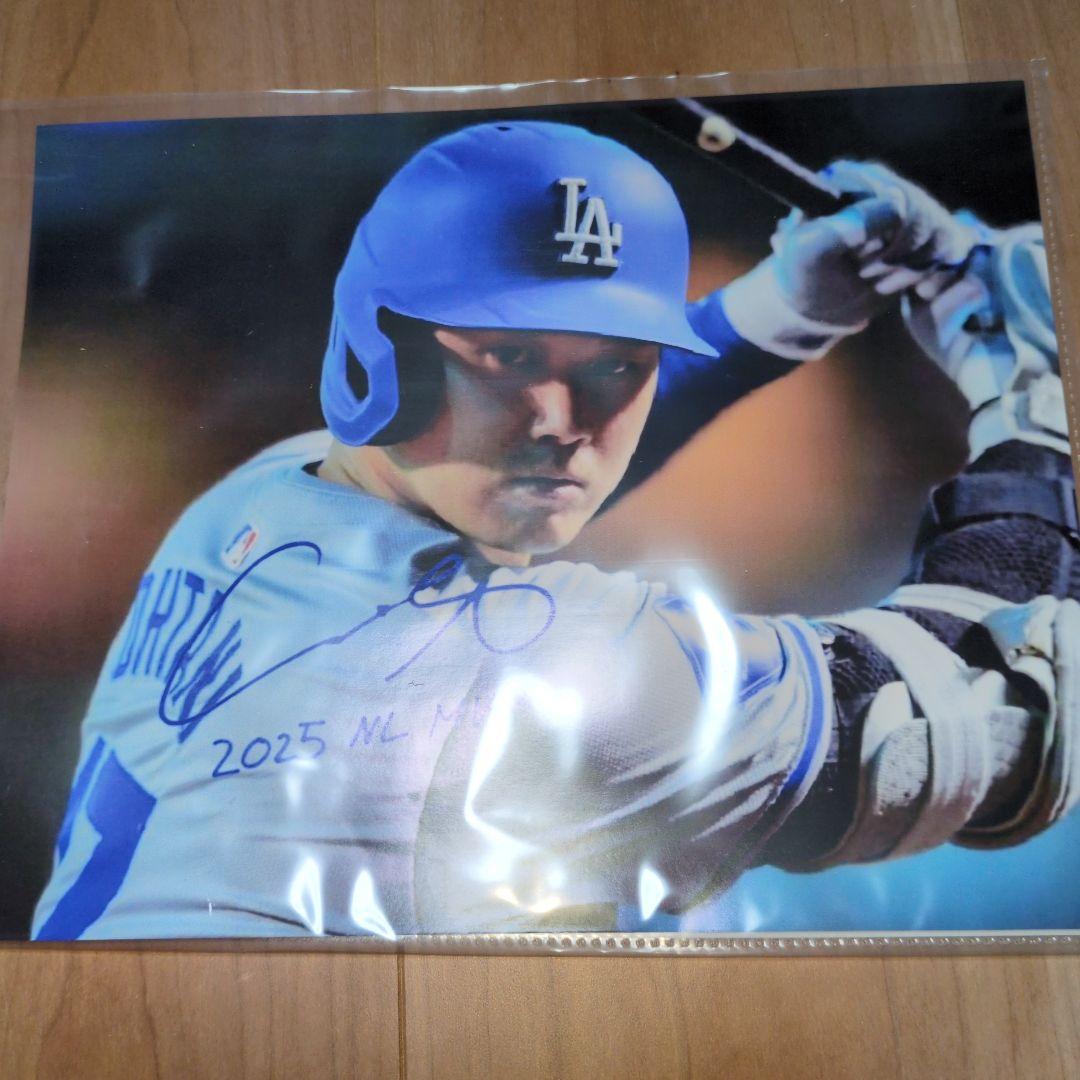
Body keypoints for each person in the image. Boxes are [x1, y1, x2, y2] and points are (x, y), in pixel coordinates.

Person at [31, 120, 1078, 940]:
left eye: (619, 364)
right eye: (509, 357)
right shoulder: (580, 665)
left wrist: (779, 313)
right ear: (380, 350)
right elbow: (992, 712)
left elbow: (519, 474)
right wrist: (1033, 407)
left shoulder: (254, 508)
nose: (562, 424)